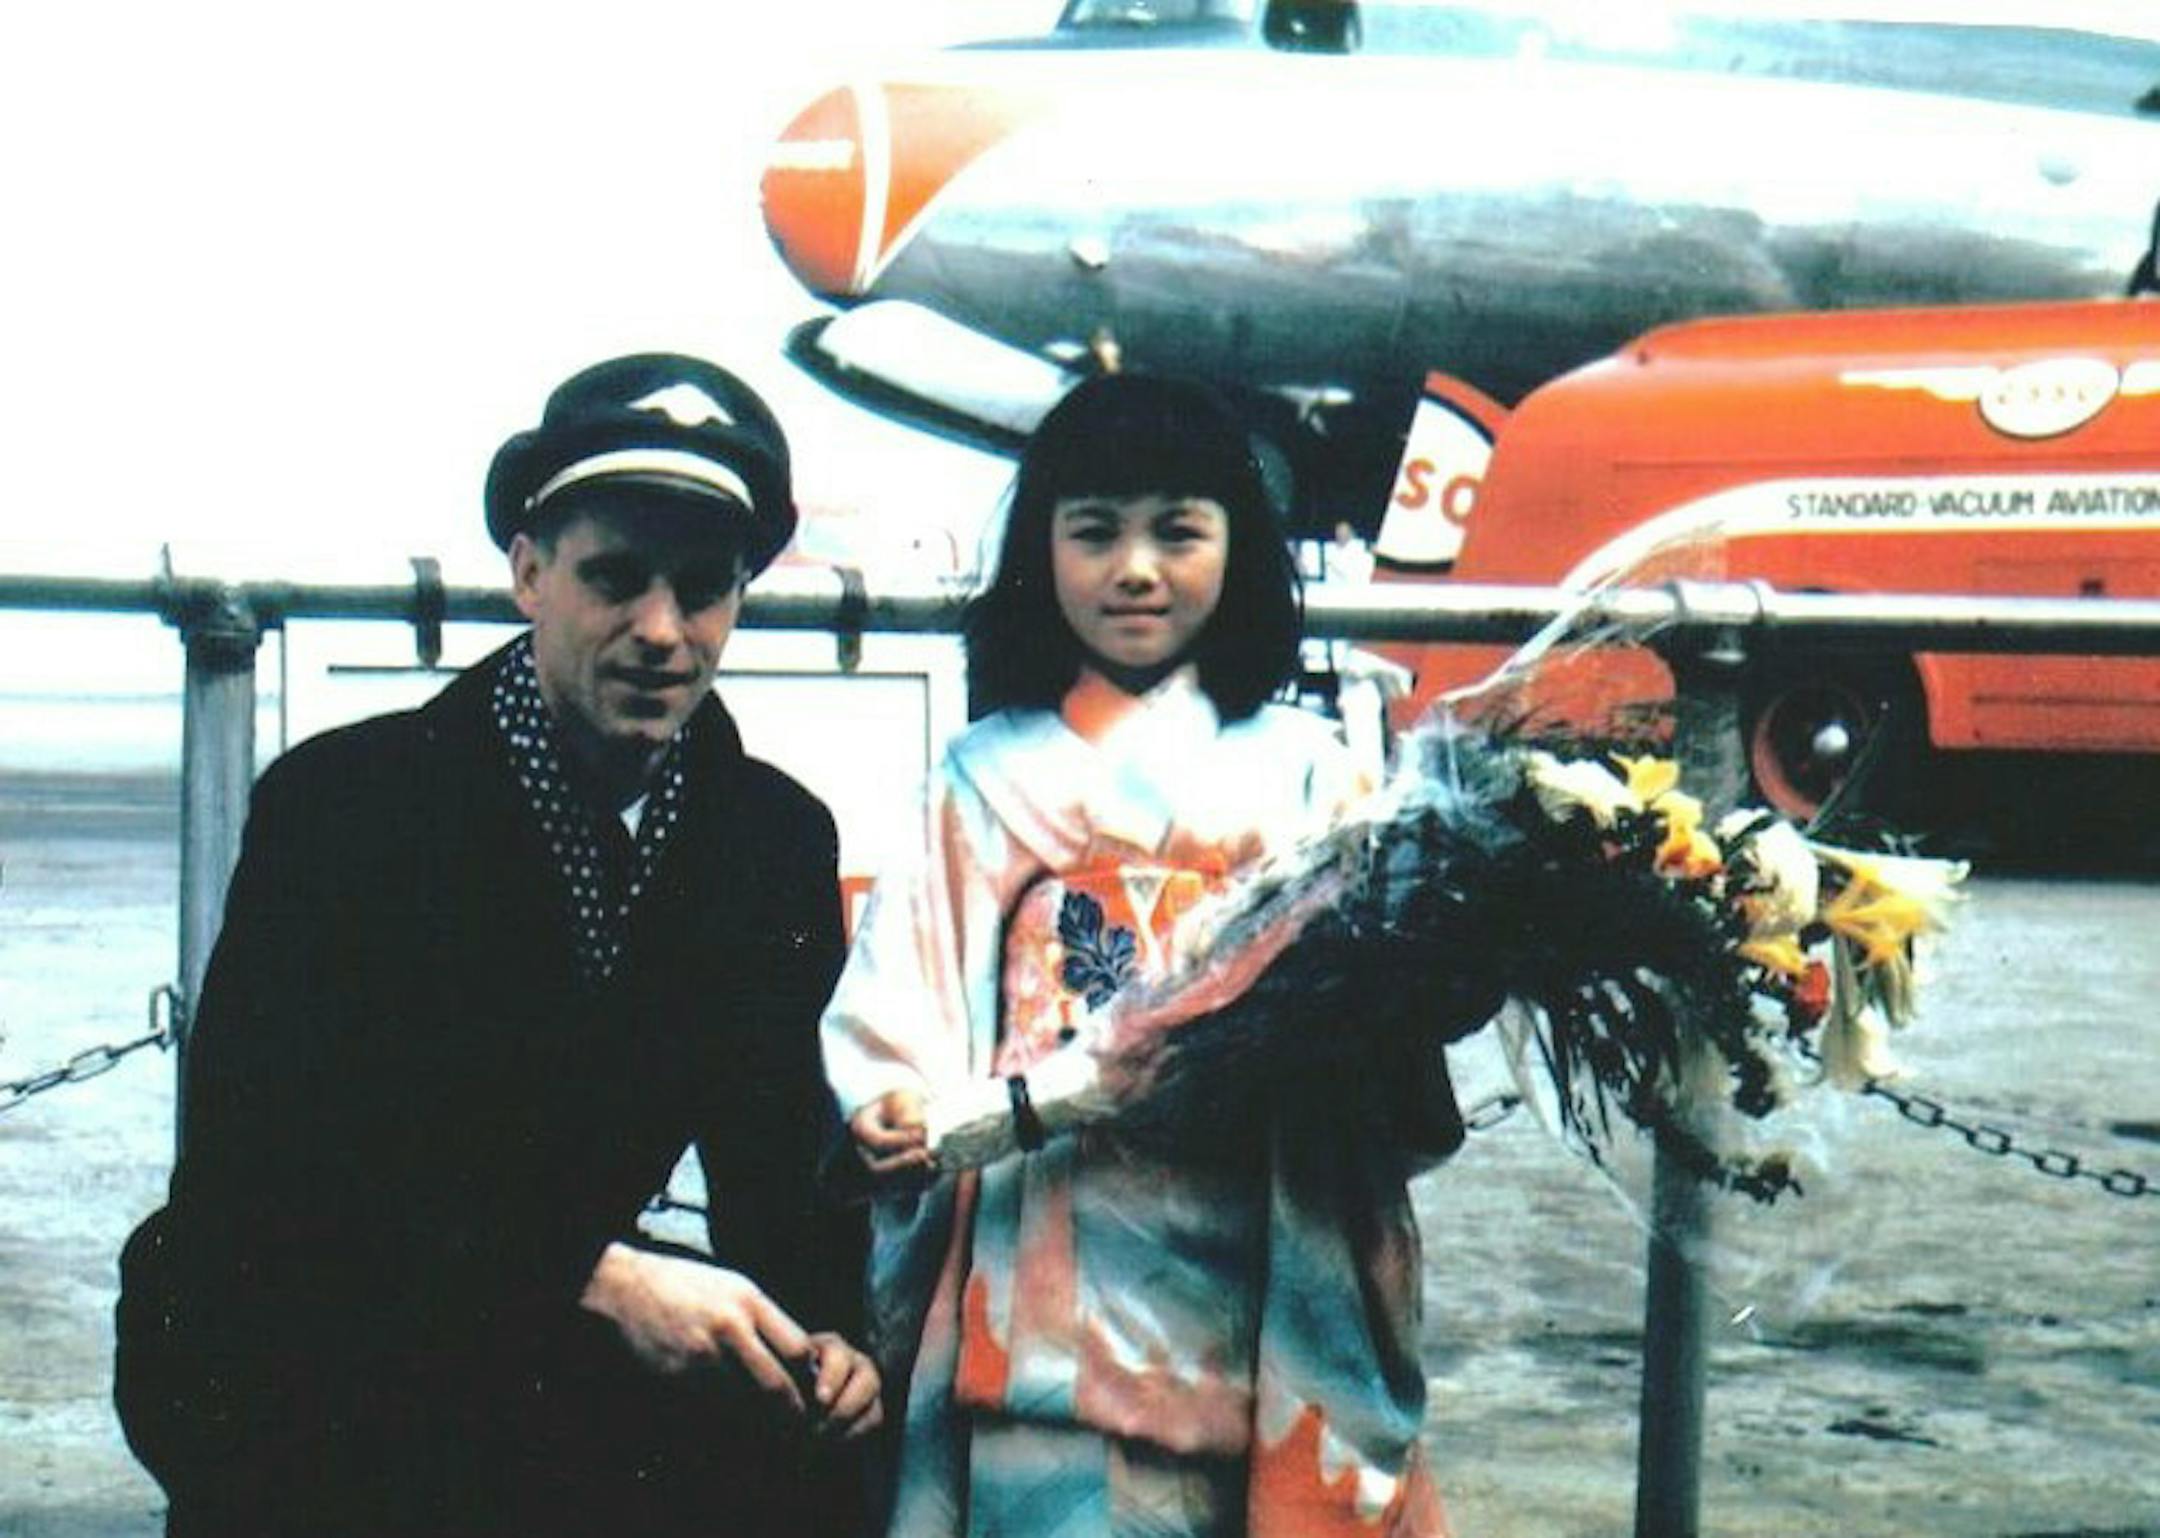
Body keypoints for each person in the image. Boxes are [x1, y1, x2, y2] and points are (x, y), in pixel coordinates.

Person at [115, 354, 881, 1538]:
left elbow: (780, 1167)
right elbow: (265, 1179)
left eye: (703, 589)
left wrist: (835, 1340)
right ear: (528, 573)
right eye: (614, 579)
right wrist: (597, 1273)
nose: (663, 631)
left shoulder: (767, 837)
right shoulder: (345, 805)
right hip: (308, 1335)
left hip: (526, 1352)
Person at [821, 373, 1465, 1537]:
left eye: (1179, 530)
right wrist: (891, 1090)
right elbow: (908, 975)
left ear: (1239, 550)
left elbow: (1385, 1034)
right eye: (1095, 530)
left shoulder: (1318, 774)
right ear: (1041, 552)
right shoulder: (983, 777)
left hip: (1266, 1265)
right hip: (1046, 1294)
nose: (1135, 568)